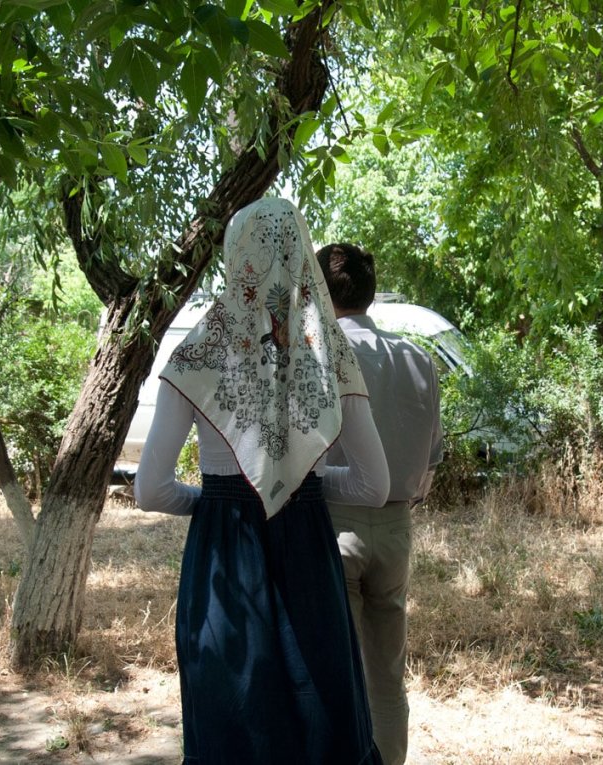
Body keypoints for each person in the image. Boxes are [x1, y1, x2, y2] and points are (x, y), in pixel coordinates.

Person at [135, 198, 390, 765]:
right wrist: (306, 484)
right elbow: (375, 486)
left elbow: (150, 490)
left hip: (224, 559)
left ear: (236, 254)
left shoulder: (197, 351)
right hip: (308, 556)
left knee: (235, 728)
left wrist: (217, 502)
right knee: (320, 730)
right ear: (301, 254)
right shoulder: (331, 354)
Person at [316, 243, 444, 765]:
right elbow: (432, 459)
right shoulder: (417, 359)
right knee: (387, 677)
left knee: (334, 673)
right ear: (370, 292)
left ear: (320, 294)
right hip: (396, 526)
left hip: (333, 521)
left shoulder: (319, 355)